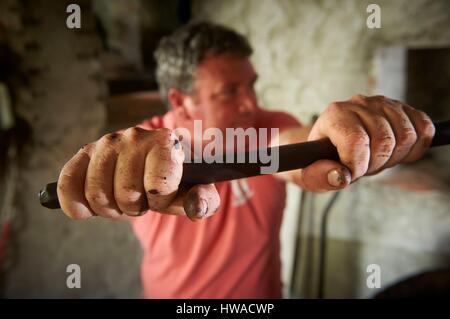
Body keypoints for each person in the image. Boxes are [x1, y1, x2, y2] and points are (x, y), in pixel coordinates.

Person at [56, 22, 435, 298]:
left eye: (251, 85)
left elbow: (298, 148)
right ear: (179, 102)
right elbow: (126, 173)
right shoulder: (147, 149)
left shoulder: (267, 128)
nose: (250, 104)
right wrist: (106, 175)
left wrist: (337, 136)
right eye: (229, 91)